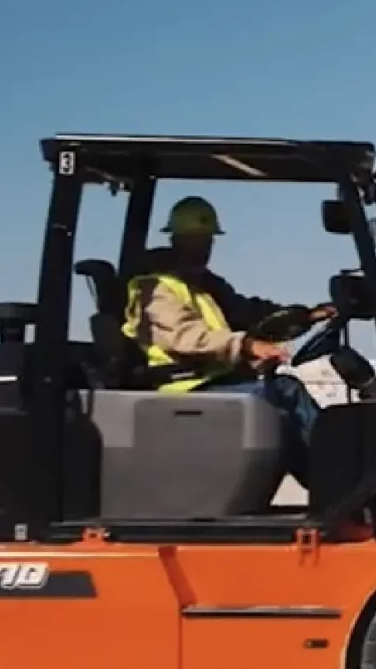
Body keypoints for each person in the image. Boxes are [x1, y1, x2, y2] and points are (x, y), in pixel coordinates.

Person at [121, 195, 336, 471]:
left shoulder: (203, 284)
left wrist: (305, 316)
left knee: (280, 400)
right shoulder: (153, 289)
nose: (203, 250)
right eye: (194, 240)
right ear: (176, 240)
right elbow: (185, 336)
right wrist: (245, 345)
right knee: (285, 391)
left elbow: (249, 312)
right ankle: (334, 473)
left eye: (207, 241)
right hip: (182, 387)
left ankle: (323, 479)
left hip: (209, 381)